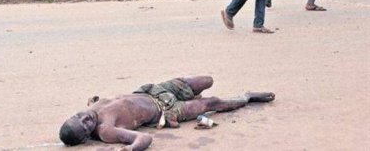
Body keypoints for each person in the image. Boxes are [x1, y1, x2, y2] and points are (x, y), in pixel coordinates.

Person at [59, 76, 275, 150]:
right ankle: (246, 97)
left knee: (206, 80)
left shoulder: (90, 109)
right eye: (85, 125)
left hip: (154, 90)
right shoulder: (106, 130)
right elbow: (145, 137)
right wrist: (133, 148)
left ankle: (195, 96)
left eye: (79, 116)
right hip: (167, 110)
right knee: (213, 103)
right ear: (88, 136)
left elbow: (93, 103)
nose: (86, 118)